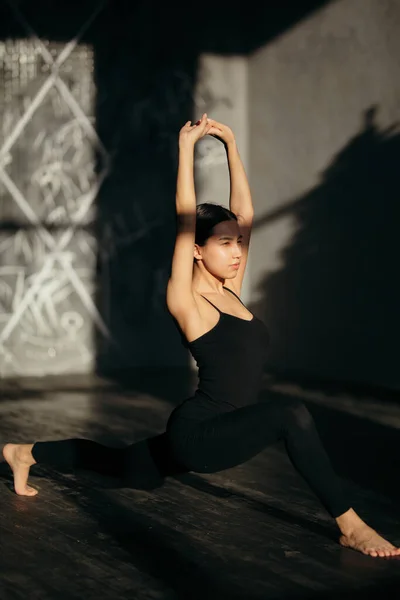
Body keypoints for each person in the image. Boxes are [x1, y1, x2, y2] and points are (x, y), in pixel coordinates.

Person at [1, 114, 399, 559]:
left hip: (222, 427)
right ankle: (351, 525)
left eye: (238, 244)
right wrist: (187, 148)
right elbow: (185, 218)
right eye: (225, 243)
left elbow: (244, 214)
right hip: (199, 434)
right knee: (291, 413)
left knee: (122, 466)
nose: (236, 251)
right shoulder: (185, 300)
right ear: (196, 249)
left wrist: (230, 144)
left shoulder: (230, 290)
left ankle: (24, 452)